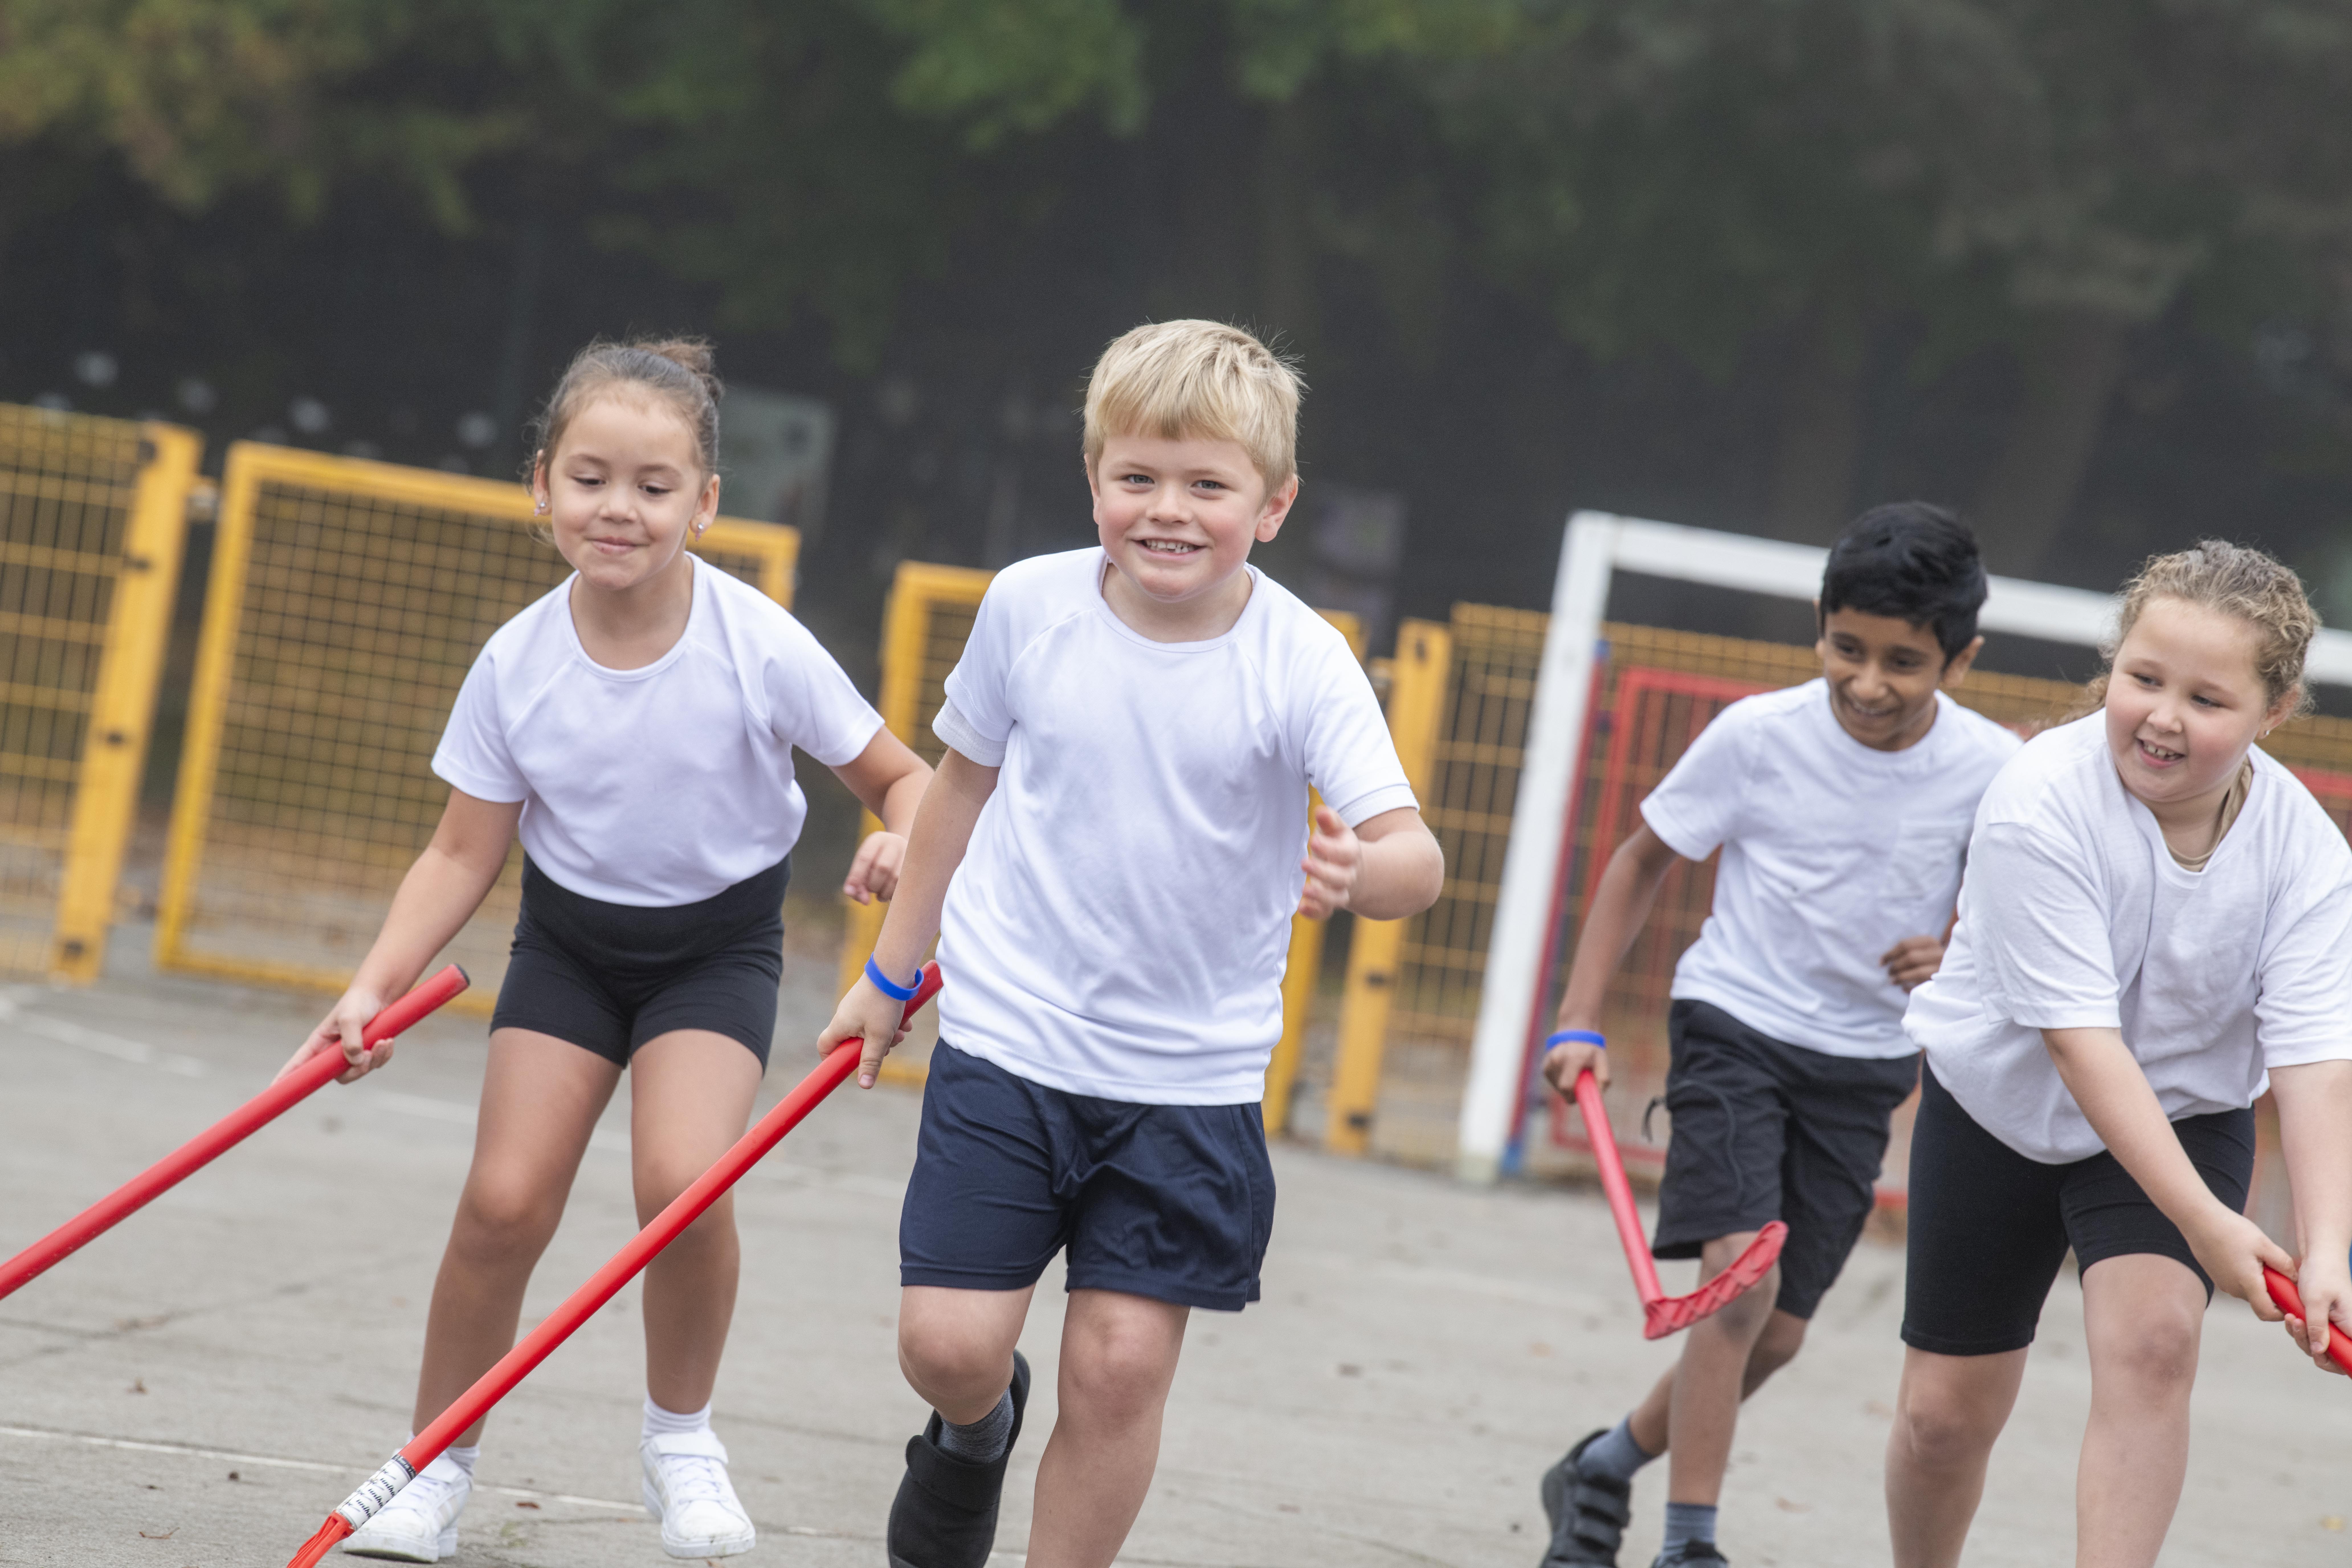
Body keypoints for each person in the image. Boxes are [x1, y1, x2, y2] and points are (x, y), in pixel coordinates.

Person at [284, 338, 931, 1562]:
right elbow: (460, 853)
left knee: (683, 1185)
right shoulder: (516, 662)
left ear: (706, 502)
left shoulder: (759, 642)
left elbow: (908, 782)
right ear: (542, 486)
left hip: (717, 952)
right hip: (570, 947)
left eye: (653, 485)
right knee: (501, 1201)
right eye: (589, 479)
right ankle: (432, 1466)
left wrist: (901, 835)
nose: (618, 508)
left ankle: (681, 1443)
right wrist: (371, 987)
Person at [813, 319, 1444, 1568]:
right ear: (1094, 478)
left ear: (1273, 506)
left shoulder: (1304, 660)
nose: (1168, 511)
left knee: (1118, 1368)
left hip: (1188, 1082)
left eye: (1208, 485)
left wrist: (1360, 870)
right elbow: (957, 794)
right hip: (1010, 1040)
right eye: (1138, 477)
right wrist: (889, 973)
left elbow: (1413, 858)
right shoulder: (1029, 606)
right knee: (947, 1346)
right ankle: (977, 1432)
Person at [1534, 504, 2022, 1568]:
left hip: (1865, 1064)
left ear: (1962, 659)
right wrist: (1578, 1017)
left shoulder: (1995, 769)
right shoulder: (1758, 737)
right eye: (1848, 648)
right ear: (1820, 625)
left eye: (1904, 662)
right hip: (1735, 1028)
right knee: (1739, 1287)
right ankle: (1690, 1543)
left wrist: (1960, 951)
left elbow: (2013, 917)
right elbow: (1639, 862)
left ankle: (1604, 1465)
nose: (1868, 682)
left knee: (1780, 1332)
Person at [1886, 540, 2352, 1568]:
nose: (2163, 718)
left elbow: (2317, 1060)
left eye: (2208, 699)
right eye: (2145, 679)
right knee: (1943, 1420)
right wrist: (2210, 1226)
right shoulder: (2037, 801)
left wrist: (2327, 1248)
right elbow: (2080, 1044)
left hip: (2185, 1111)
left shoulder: (2309, 855)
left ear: (2274, 712)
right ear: (2114, 665)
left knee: (2155, 1346)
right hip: (2002, 1108)